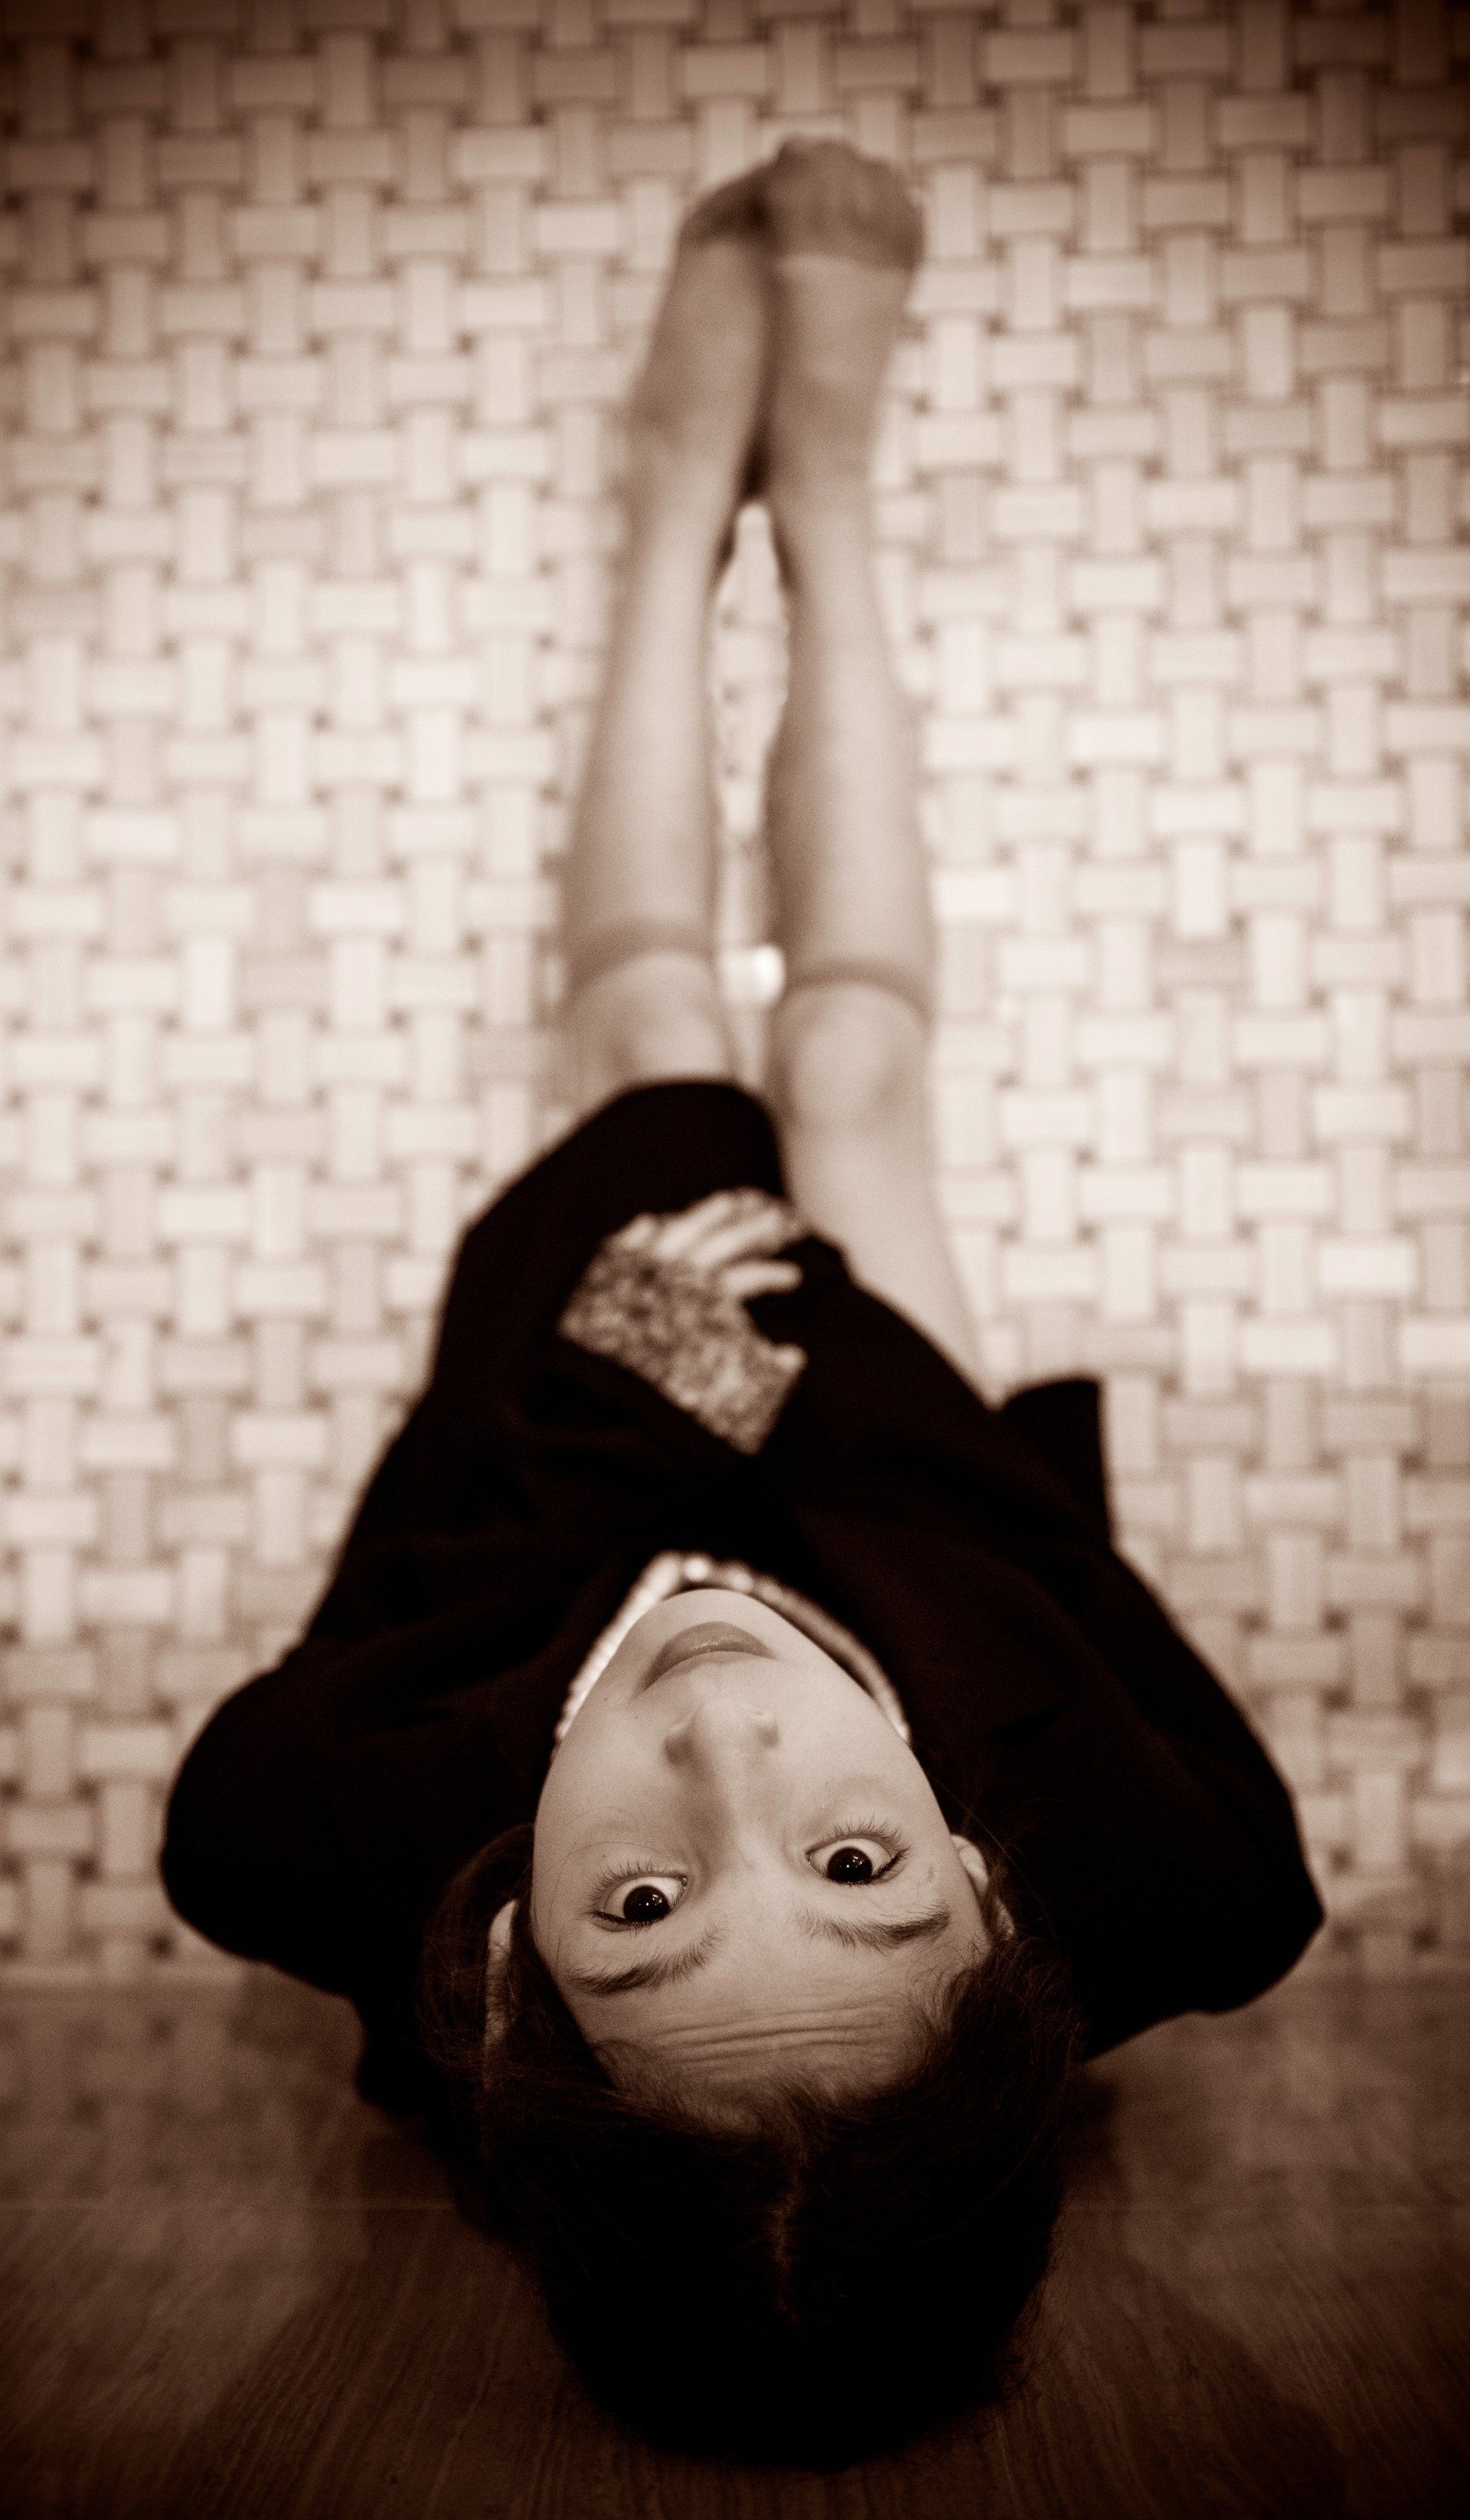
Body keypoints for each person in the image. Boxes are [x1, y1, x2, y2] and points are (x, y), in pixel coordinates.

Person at [162, 141, 1323, 2466]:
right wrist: (848, 1355)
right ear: (995, 1891)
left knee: (661, 1033)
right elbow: (1045, 1566)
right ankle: (834, 505)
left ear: (510, 1965)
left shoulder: (311, 1841)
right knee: (859, 1074)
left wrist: (631, 1393)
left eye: (644, 1899)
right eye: (861, 1870)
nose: (724, 1748)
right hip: (921, 1510)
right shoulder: (1183, 1875)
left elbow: (369, 1646)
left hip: (563, 1489)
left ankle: (676, 501)